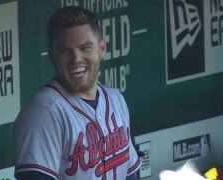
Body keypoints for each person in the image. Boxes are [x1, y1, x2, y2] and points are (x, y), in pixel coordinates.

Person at [14, 6, 141, 180]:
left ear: (102, 49)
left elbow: (131, 173)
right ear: (51, 54)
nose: (76, 59)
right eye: (64, 51)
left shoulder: (116, 100)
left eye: (85, 48)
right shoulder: (44, 111)